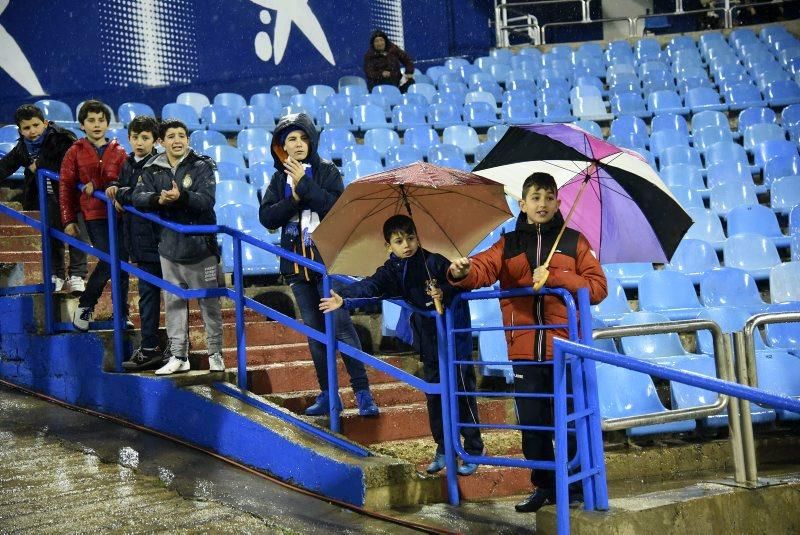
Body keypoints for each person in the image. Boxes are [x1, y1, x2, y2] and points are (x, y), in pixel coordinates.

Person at [447, 172, 607, 513]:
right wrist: (461, 273)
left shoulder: (575, 242)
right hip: (524, 352)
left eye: (549, 197)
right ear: (523, 203)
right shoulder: (508, 243)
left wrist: (558, 277)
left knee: (570, 421)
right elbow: (482, 270)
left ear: (558, 203)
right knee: (533, 425)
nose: (543, 204)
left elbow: (597, 288)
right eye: (536, 197)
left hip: (565, 351)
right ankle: (545, 488)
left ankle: (575, 488)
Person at [320, 214, 484, 475]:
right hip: (430, 340)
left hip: (456, 335)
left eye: (410, 238)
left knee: (462, 391)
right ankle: (443, 448)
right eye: (399, 241)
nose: (406, 244)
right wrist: (345, 298)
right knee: (435, 394)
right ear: (389, 246)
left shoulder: (434, 260)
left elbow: (458, 281)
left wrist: (444, 290)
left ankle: (473, 449)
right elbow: (371, 285)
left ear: (417, 237)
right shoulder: (392, 271)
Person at [259, 112, 379, 417]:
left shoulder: (327, 171)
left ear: (311, 140)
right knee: (315, 334)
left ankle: (363, 393)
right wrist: (295, 199)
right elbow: (267, 218)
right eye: (290, 140)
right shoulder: (277, 177)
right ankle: (329, 395)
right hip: (297, 268)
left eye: (302, 138)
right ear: (281, 147)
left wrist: (305, 186)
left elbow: (336, 209)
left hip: (327, 264)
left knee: (341, 328)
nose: (297, 144)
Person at [132, 119, 223, 376]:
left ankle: (215, 353)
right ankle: (179, 356)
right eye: (171, 136)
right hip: (169, 248)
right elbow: (138, 197)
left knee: (210, 305)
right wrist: (156, 199)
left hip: (201, 249)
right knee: (173, 303)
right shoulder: (152, 169)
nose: (177, 140)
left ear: (188, 139)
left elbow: (206, 201)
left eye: (182, 135)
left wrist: (180, 197)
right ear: (161, 142)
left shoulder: (202, 166)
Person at [106, 115, 171, 371]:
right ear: (129, 139)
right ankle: (149, 348)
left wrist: (122, 194)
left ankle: (176, 348)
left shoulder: (161, 165)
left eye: (145, 138)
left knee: (171, 296)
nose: (140, 142)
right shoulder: (128, 163)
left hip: (161, 240)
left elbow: (147, 196)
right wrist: (115, 188)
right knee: (147, 296)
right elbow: (124, 188)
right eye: (135, 137)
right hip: (138, 242)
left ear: (155, 140)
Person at [0, 104, 87, 293]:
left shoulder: (63, 138)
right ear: (20, 130)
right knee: (51, 235)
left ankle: (78, 276)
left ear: (45, 123)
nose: (32, 131)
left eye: (36, 125)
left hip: (70, 196)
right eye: (26, 128)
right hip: (46, 198)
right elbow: (5, 166)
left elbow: (67, 163)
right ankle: (56, 275)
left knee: (75, 234)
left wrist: (38, 165)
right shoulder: (23, 147)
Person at [60, 100, 129, 330]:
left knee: (120, 263)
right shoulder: (74, 151)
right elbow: (66, 186)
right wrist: (68, 219)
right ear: (82, 125)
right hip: (94, 216)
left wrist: (110, 188)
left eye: (101, 120)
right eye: (91, 120)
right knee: (111, 259)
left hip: (119, 215)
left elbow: (126, 181)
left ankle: (121, 314)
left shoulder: (119, 151)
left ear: (108, 124)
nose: (97, 125)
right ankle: (85, 305)